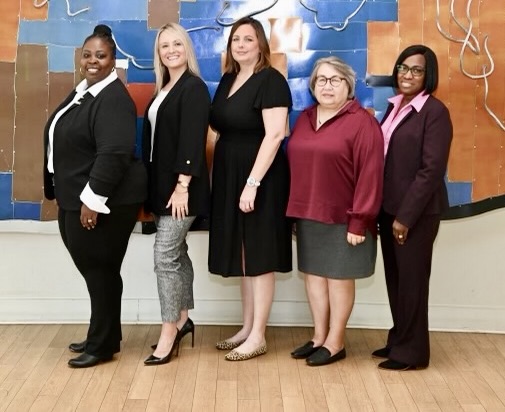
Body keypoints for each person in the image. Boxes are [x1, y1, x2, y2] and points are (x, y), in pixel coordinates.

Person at [43, 24, 147, 368]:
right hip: (78, 197)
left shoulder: (113, 97)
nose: (92, 60)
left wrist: (92, 199)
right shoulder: (86, 91)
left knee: (99, 270)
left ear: (112, 60)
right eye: (87, 54)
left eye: (100, 55)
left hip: (104, 202)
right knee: (98, 271)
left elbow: (115, 152)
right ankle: (102, 334)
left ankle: (102, 345)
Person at [286, 57, 384, 366]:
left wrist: (360, 220)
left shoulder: (362, 122)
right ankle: (318, 336)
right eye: (321, 80)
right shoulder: (304, 118)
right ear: (313, 86)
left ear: (348, 86)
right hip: (308, 212)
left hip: (346, 218)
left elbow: (371, 174)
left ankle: (336, 340)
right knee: (314, 277)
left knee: (339, 279)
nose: (327, 86)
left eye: (335, 80)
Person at [208, 17, 292, 361]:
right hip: (230, 171)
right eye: (236, 39)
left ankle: (258, 335)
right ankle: (246, 327)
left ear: (261, 44)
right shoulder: (229, 79)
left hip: (261, 174)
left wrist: (252, 184)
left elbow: (274, 135)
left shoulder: (271, 80)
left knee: (258, 253)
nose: (240, 45)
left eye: (248, 39)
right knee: (242, 252)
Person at [373, 45, 453, 370]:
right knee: (396, 279)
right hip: (388, 209)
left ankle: (413, 353)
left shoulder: (435, 112)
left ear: (428, 75)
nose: (407, 75)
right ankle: (399, 340)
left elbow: (431, 170)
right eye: (403, 68)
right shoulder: (393, 108)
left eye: (416, 70)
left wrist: (405, 217)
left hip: (416, 214)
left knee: (412, 281)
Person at [141, 23, 210, 366]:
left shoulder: (193, 88)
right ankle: (183, 318)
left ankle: (169, 329)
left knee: (164, 257)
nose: (171, 50)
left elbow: (192, 138)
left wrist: (183, 185)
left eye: (177, 44)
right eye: (164, 46)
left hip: (182, 189)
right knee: (177, 253)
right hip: (161, 188)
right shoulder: (164, 89)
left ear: (187, 48)